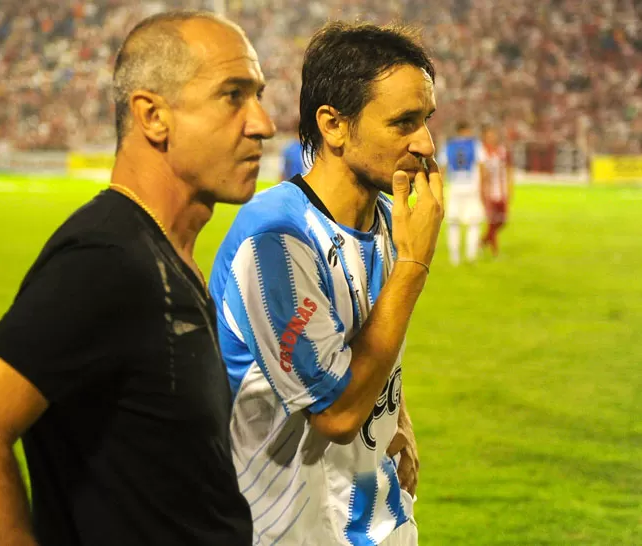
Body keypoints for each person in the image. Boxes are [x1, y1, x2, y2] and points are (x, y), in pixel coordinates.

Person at [0, 11, 275, 546]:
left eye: (258, 95)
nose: (262, 122)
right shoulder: (108, 259)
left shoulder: (163, 253)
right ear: (153, 116)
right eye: (233, 95)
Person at [208, 22, 443, 545]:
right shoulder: (276, 239)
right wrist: (413, 268)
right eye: (403, 122)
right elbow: (335, 412)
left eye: (426, 119)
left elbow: (365, 341)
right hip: (290, 529)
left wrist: (396, 414)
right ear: (334, 125)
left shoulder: (385, 221)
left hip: (380, 520)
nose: (425, 142)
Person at [441, 121, 486, 265]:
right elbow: (481, 165)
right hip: (471, 186)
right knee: (474, 222)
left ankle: (454, 257)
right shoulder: (475, 144)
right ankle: (471, 254)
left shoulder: (449, 146)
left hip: (454, 186)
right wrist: (482, 186)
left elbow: (442, 167)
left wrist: (441, 187)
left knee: (453, 223)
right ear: (465, 130)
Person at [480, 125, 513, 257]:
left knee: (503, 221)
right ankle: (495, 252)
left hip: (501, 190)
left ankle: (482, 242)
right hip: (489, 192)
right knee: (492, 222)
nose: (492, 137)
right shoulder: (482, 152)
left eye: (493, 135)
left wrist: (510, 187)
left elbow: (509, 169)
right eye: (489, 135)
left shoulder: (502, 151)